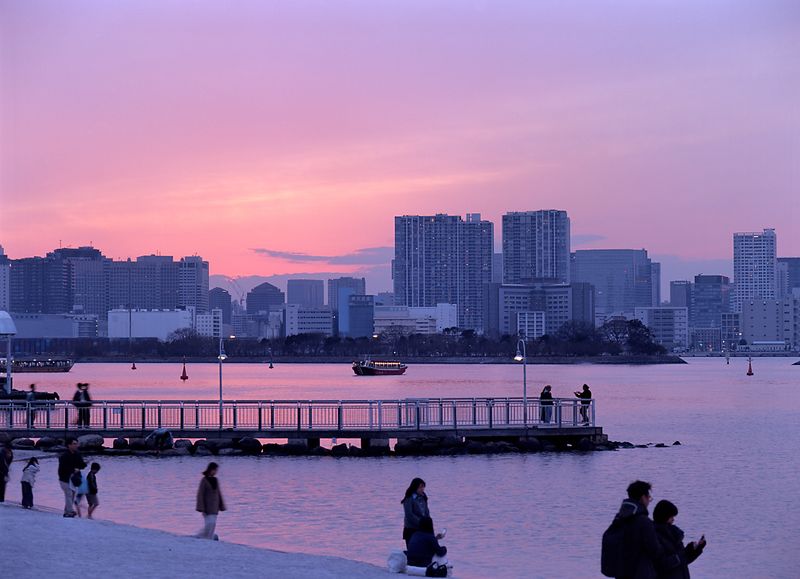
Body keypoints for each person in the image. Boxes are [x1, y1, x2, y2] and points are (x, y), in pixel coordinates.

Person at [602, 480, 664, 579]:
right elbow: (655, 550)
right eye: (649, 498)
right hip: (641, 574)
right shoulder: (644, 521)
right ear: (643, 498)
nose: (649, 501)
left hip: (621, 573)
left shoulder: (619, 517)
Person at [653, 500, 706, 579]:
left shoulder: (674, 534)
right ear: (664, 516)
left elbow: (683, 561)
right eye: (671, 517)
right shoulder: (654, 535)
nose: (673, 520)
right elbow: (663, 564)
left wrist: (696, 549)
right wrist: (685, 552)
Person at [196, 462, 225, 540]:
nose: (215, 472)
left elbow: (219, 493)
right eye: (214, 470)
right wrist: (200, 507)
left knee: (213, 524)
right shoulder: (204, 480)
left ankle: (209, 538)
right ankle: (201, 536)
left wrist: (222, 506)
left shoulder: (216, 480)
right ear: (210, 469)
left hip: (215, 507)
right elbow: (200, 494)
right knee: (209, 524)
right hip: (207, 507)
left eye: (216, 470)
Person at [58, 437, 86, 517]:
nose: (76, 445)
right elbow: (63, 467)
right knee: (69, 494)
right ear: (69, 445)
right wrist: (73, 470)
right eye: (74, 444)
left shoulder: (77, 454)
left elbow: (82, 464)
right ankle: (69, 511)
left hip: (73, 479)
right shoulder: (64, 456)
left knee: (71, 495)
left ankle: (67, 511)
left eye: (76, 444)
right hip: (64, 478)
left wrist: (80, 467)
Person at [401, 477, 430, 548]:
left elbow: (426, 511)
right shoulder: (409, 498)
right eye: (420, 487)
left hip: (422, 529)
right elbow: (409, 515)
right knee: (413, 551)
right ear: (415, 487)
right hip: (411, 530)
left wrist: (428, 523)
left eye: (423, 487)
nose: (422, 489)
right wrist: (421, 523)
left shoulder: (423, 497)